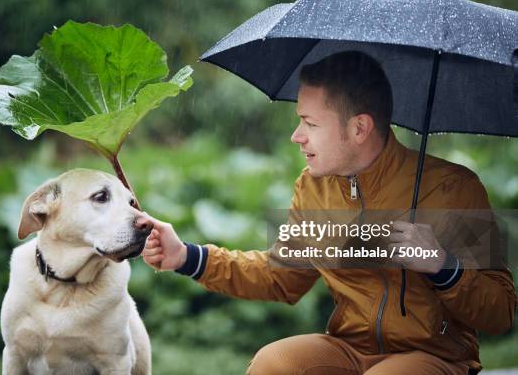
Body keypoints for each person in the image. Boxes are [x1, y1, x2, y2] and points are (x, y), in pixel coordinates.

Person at [142, 51, 516, 375]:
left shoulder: (453, 188)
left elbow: (500, 313)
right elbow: (280, 277)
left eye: (310, 123)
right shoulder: (313, 187)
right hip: (349, 349)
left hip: (436, 357)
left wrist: (443, 267)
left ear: (359, 128)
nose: (296, 135)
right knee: (274, 364)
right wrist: (187, 257)